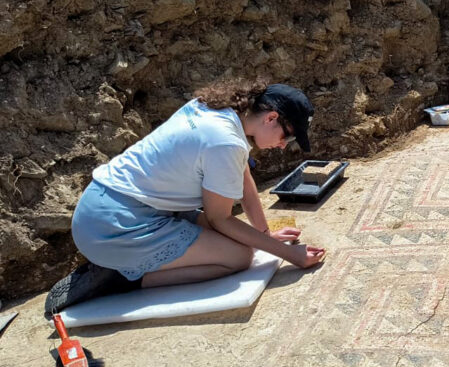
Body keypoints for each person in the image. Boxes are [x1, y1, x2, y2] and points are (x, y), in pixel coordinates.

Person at [45, 80, 326, 317]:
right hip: (114, 227)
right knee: (239, 256)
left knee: (244, 241)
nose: (282, 145)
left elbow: (244, 180)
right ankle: (122, 277)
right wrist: (291, 255)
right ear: (271, 118)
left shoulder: (218, 112)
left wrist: (265, 235)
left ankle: (126, 265)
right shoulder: (225, 142)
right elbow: (220, 219)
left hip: (108, 206)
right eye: (288, 136)